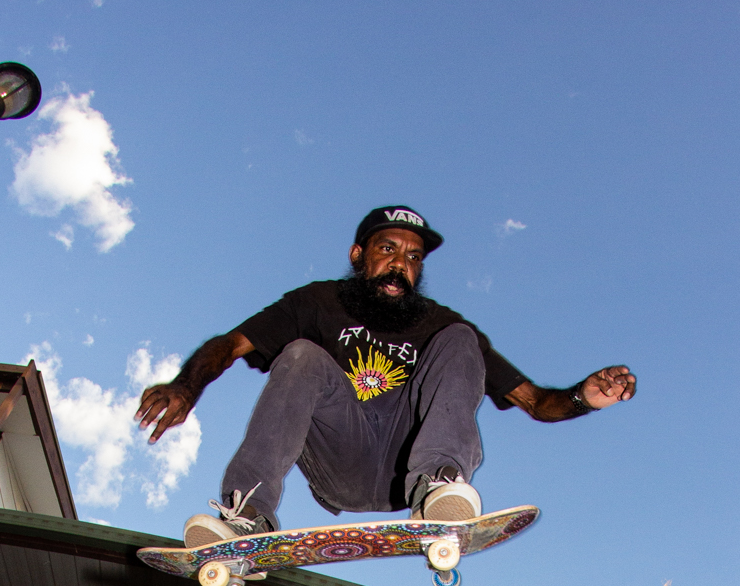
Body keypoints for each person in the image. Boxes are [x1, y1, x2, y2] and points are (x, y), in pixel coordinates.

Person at [135, 205, 636, 547]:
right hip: (340, 458)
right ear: (359, 255)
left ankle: (439, 485)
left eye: (413, 258)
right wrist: (187, 385)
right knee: (302, 354)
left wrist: (582, 397)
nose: (400, 265)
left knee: (462, 338)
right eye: (388, 250)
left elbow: (535, 401)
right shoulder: (317, 301)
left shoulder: (439, 323)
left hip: (411, 466)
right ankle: (246, 516)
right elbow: (231, 344)